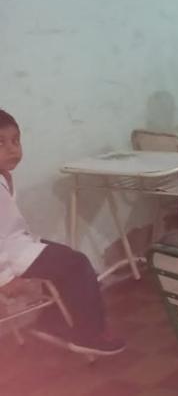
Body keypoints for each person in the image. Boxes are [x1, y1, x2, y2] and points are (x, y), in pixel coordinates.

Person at [0, 109, 125, 355]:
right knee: (77, 264)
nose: (13, 149)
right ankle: (89, 335)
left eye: (16, 140)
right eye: (0, 143)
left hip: (17, 245)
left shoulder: (3, 175)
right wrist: (4, 278)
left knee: (64, 257)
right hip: (9, 255)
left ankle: (52, 321)